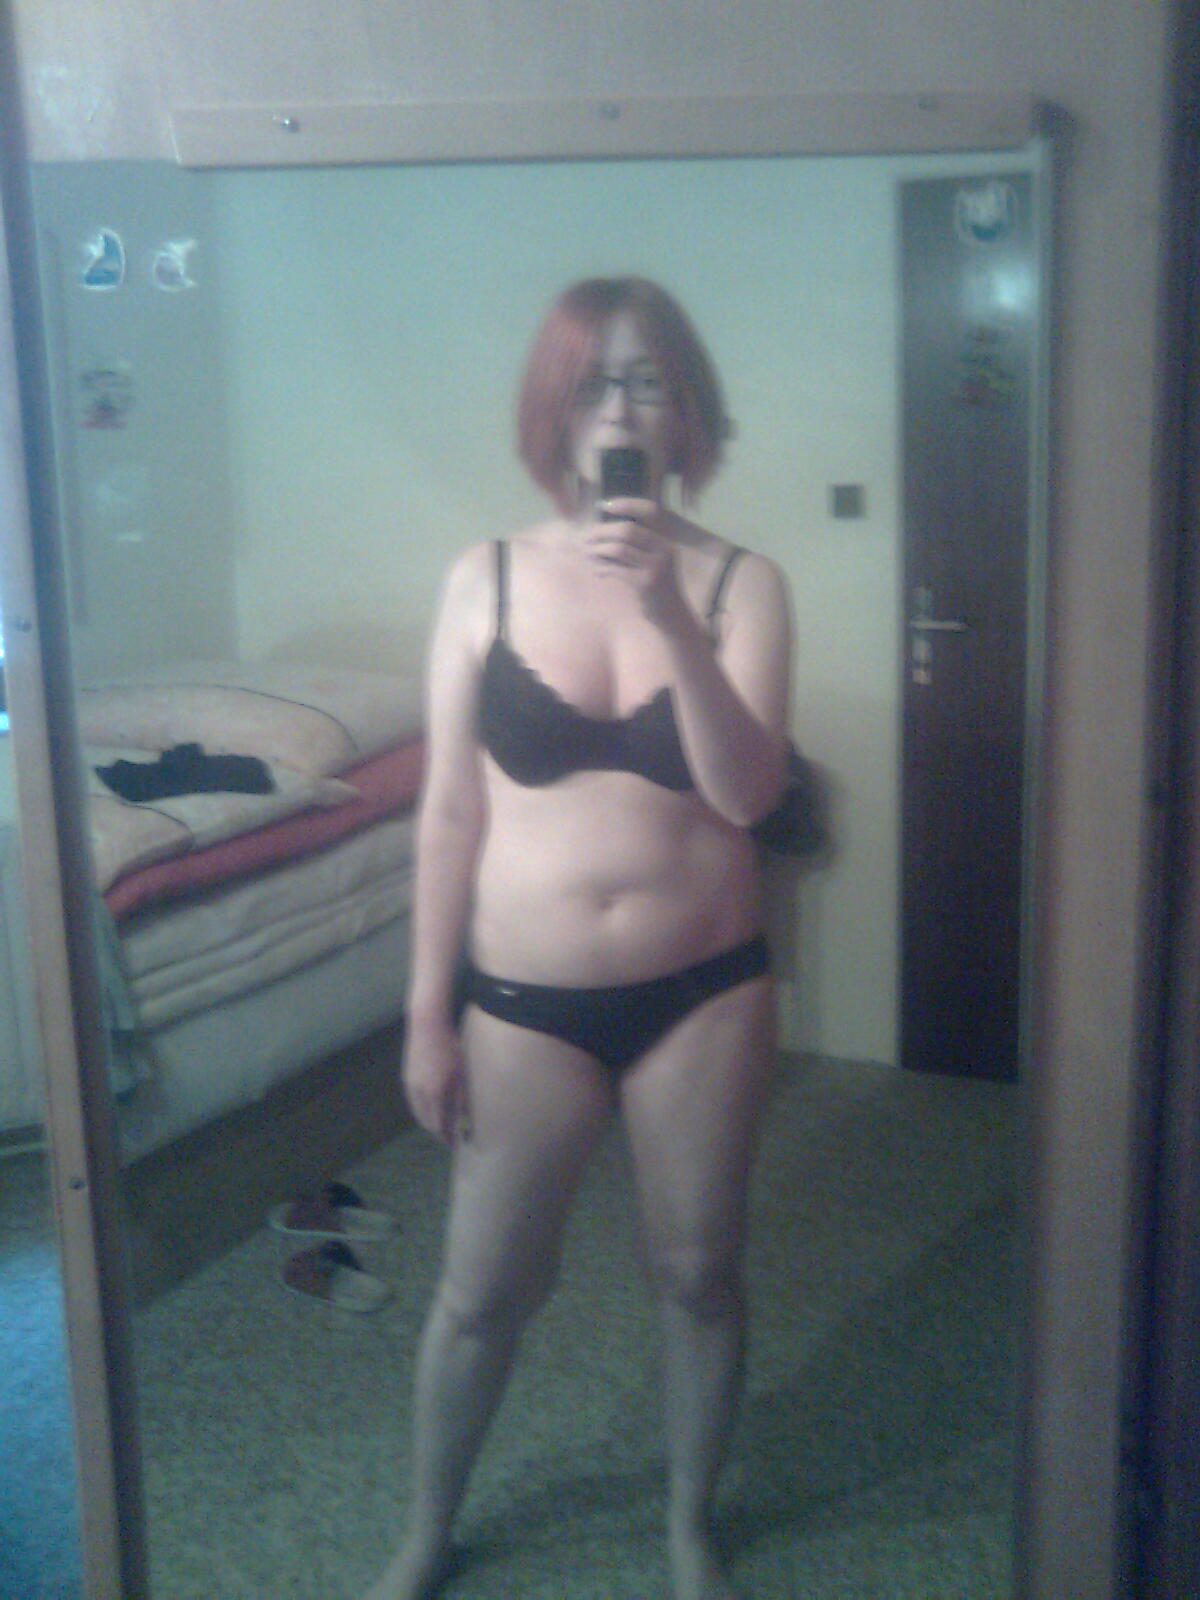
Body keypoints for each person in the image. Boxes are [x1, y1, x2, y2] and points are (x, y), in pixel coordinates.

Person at [366, 276, 791, 1600]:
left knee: (699, 1273)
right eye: (595, 380)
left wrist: (668, 617)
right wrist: (425, 1013)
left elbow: (749, 797)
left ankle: (688, 1523)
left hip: (705, 992)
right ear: (555, 407)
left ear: (686, 410)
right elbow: (449, 811)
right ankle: (427, 1532)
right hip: (520, 1001)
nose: (620, 406)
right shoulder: (482, 578)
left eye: (648, 380)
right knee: (481, 1291)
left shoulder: (744, 584)